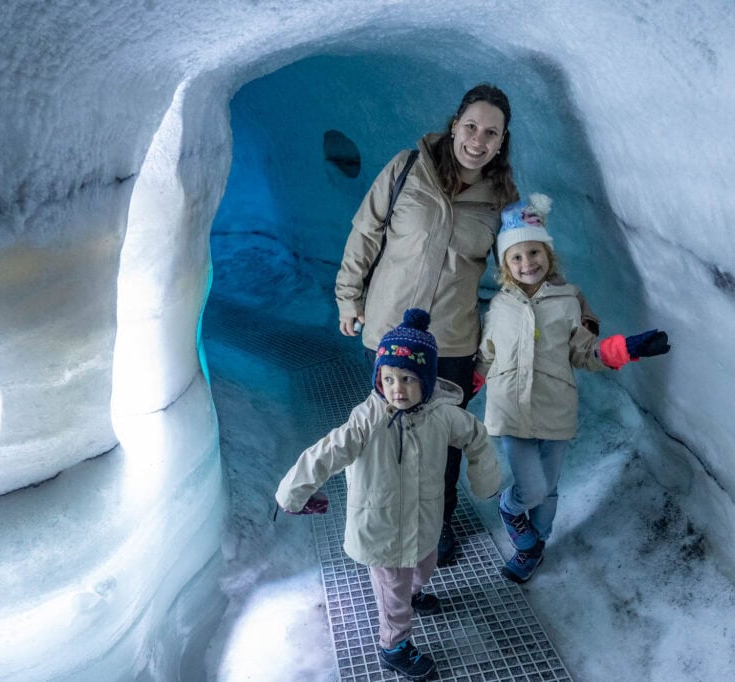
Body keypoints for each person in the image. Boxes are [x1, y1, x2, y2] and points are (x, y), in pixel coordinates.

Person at [334, 83, 519, 566]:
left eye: (491, 133)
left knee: (444, 441)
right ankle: (382, 524)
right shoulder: (407, 167)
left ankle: (436, 528)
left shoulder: (503, 198)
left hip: (452, 341)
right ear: (455, 123)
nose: (478, 140)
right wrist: (348, 296)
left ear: (502, 142)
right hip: (391, 333)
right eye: (472, 126)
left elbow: (519, 272)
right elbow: (366, 231)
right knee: (385, 432)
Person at [276, 308, 500, 681]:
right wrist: (293, 493)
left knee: (425, 565)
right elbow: (326, 452)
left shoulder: (442, 416)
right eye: (389, 378)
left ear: (427, 382)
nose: (397, 388)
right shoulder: (367, 421)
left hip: (423, 519)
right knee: (393, 595)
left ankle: (411, 594)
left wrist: (485, 480)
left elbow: (475, 436)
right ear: (378, 378)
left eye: (409, 379)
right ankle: (393, 645)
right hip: (380, 528)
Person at [476, 193, 670, 584]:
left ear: (548, 255)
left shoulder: (569, 300)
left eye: (534, 252)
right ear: (505, 265)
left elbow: (586, 352)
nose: (527, 262)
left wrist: (626, 348)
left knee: (548, 490)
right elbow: (485, 355)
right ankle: (510, 510)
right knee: (530, 488)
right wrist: (462, 386)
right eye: (516, 257)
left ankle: (534, 547)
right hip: (511, 413)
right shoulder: (498, 307)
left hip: (555, 411)